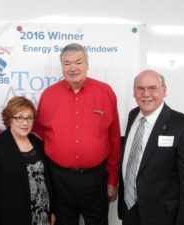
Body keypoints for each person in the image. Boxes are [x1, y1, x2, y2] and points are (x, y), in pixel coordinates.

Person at [33, 43, 121, 225]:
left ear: (87, 64)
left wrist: (112, 178)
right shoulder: (49, 95)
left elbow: (114, 138)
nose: (73, 68)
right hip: (59, 179)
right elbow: (38, 137)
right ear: (62, 67)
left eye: (78, 62)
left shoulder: (106, 92)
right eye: (67, 63)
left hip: (95, 179)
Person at [118, 69, 184, 225]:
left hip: (163, 217)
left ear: (164, 90)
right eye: (140, 88)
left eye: (152, 88)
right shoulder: (133, 115)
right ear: (134, 92)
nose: (146, 93)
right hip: (129, 211)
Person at [0, 96, 55, 225]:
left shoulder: (37, 142)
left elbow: (47, 179)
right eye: (19, 117)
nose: (25, 123)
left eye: (29, 118)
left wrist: (52, 209)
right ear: (9, 119)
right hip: (12, 218)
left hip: (42, 215)